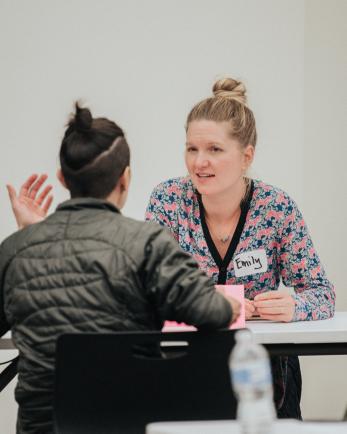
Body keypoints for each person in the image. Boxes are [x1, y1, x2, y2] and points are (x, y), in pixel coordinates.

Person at [0, 104, 240, 434]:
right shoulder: (148, 244)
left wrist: (32, 237)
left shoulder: (15, 250)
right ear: (125, 178)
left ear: (62, 178)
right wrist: (232, 303)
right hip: (131, 424)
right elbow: (212, 313)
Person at [145, 77, 335, 418]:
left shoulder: (276, 207)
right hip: (189, 362)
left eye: (214, 150)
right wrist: (229, 304)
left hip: (265, 369)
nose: (199, 162)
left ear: (246, 156)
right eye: (192, 148)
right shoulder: (168, 201)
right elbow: (151, 293)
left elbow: (322, 294)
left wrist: (295, 305)